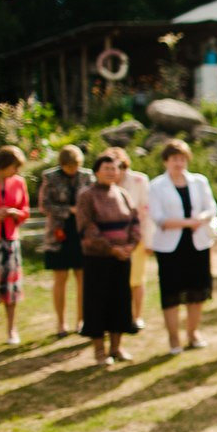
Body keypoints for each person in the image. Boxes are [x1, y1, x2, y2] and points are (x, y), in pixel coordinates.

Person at [149, 139, 217, 354]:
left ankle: (193, 332)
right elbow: (158, 218)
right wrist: (187, 222)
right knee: (171, 293)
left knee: (197, 290)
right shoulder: (157, 185)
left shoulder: (199, 181)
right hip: (170, 246)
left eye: (181, 159)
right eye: (174, 159)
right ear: (166, 161)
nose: (178, 163)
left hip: (197, 243)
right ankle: (173, 337)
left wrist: (202, 218)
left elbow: (211, 208)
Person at [76, 153, 140, 365]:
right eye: (107, 168)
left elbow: (134, 222)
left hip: (122, 258)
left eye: (115, 168)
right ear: (96, 172)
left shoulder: (123, 194)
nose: (112, 172)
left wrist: (130, 245)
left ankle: (116, 347)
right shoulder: (87, 195)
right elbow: (87, 227)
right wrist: (111, 248)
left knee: (120, 301)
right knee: (97, 301)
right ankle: (99, 351)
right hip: (98, 259)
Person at [38, 144, 92, 336]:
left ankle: (81, 320)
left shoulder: (87, 176)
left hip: (81, 233)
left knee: (82, 277)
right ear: (62, 164)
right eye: (69, 166)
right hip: (58, 233)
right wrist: (68, 210)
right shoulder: (50, 177)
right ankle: (61, 323)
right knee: (60, 278)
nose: (73, 169)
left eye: (75, 165)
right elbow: (44, 205)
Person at [105, 147, 153, 328]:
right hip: (111, 241)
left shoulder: (139, 181)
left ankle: (136, 316)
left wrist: (149, 240)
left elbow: (148, 210)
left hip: (136, 237)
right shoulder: (103, 183)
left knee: (137, 279)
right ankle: (116, 316)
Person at [0, 146, 30, 345]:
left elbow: (26, 210)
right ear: (4, 164)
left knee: (11, 289)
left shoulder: (19, 182)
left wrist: (15, 213)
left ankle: (11, 330)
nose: (16, 171)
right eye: (14, 166)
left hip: (10, 241)